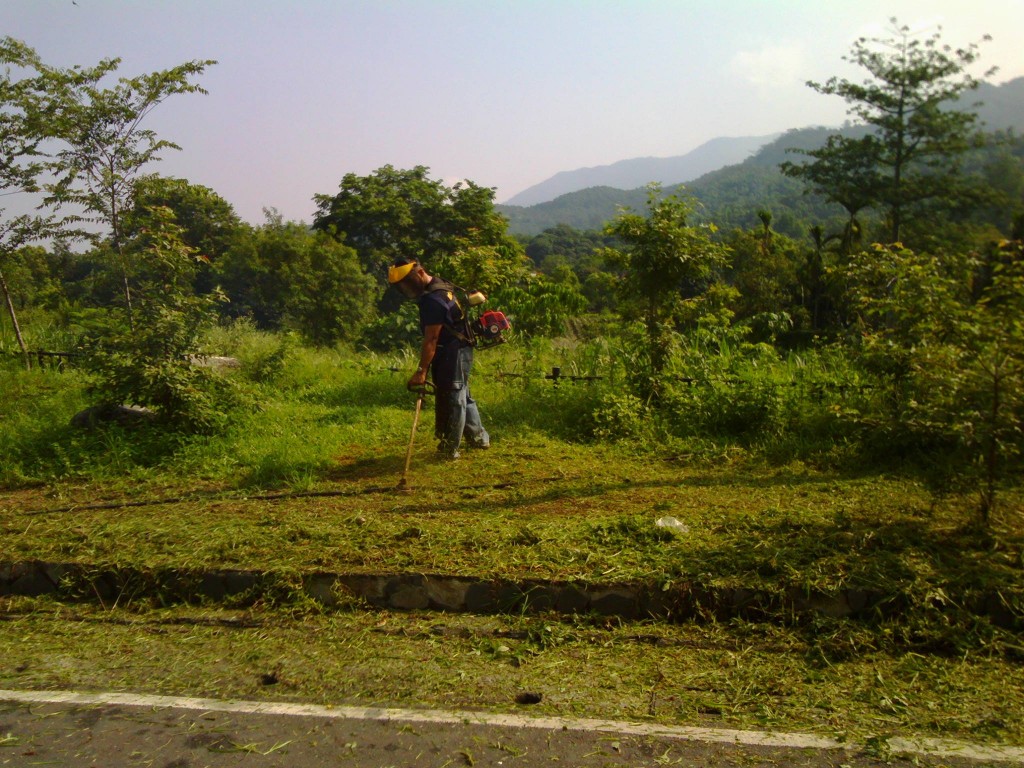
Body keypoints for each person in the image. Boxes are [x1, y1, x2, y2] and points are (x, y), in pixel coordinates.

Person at [388, 258, 489, 459]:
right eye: (402, 286)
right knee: (463, 395)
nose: (407, 288)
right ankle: (479, 439)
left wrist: (421, 371)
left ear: (420, 272)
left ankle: (449, 449)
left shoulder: (433, 300)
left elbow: (431, 340)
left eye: (408, 282)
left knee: (454, 398)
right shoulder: (439, 284)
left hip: (454, 351)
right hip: (459, 346)